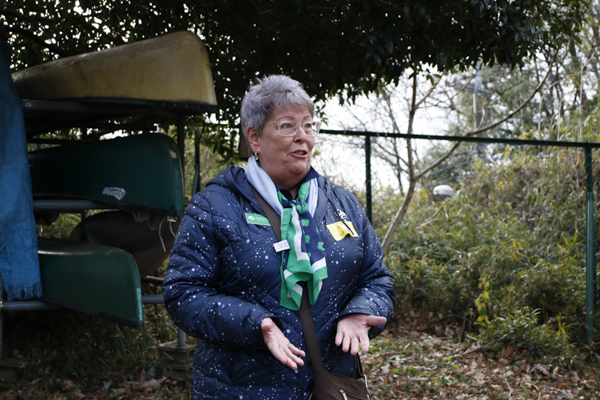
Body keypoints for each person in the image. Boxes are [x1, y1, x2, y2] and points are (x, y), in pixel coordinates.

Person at [163, 75, 396, 399]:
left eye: (309, 125)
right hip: (240, 390)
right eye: (287, 126)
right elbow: (182, 294)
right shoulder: (215, 206)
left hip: (329, 385)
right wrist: (256, 323)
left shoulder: (342, 204)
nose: (303, 137)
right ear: (255, 138)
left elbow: (376, 278)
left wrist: (360, 312)